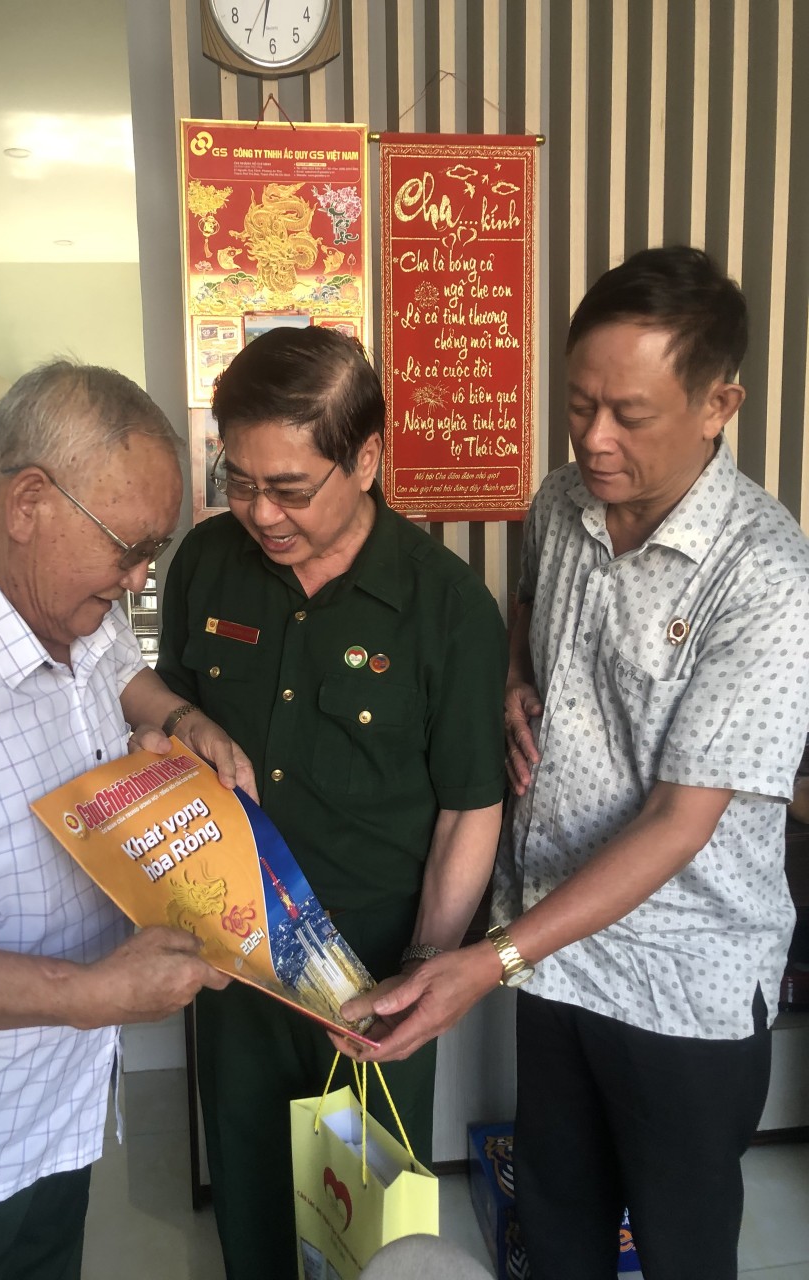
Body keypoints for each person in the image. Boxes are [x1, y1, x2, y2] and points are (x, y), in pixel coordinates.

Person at [341, 247, 809, 1279]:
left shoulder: (767, 575)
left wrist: (492, 956)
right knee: (557, 1223)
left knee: (683, 1248)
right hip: (559, 951)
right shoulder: (561, 501)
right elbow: (527, 611)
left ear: (719, 403)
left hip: (685, 976)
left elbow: (682, 821)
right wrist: (514, 675)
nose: (593, 439)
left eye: (629, 415)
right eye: (578, 403)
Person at [0, 361, 257, 1280]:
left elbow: (120, 672)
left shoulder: (68, 599)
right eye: (130, 548)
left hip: (63, 1104)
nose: (141, 577)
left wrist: (178, 720)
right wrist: (88, 997)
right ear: (29, 500)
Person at [155, 325, 507, 1280]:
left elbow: (469, 809)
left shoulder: (447, 608)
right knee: (255, 1210)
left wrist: (426, 968)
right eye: (238, 480)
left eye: (290, 488)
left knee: (370, 1237)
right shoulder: (206, 564)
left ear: (367, 459)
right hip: (233, 966)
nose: (260, 513)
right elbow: (164, 719)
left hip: (373, 983)